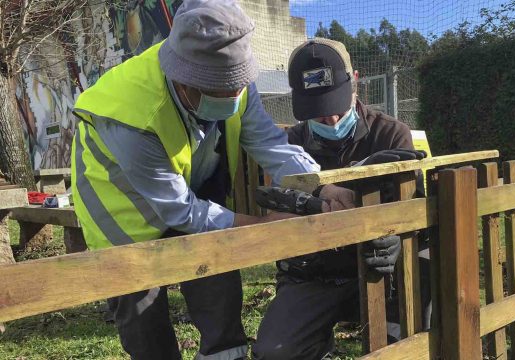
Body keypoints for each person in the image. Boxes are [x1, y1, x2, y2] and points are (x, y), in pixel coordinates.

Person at [71, 2, 355, 360]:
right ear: (183, 80)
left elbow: (267, 142)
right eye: (218, 93)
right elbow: (182, 212)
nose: (231, 99)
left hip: (189, 185)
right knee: (142, 309)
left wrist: (319, 184)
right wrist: (262, 228)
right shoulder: (131, 115)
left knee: (217, 277)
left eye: (235, 89)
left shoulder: (234, 78)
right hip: (120, 206)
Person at [253, 38, 430, 360]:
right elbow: (274, 203)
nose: (331, 121)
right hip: (315, 273)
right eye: (319, 113)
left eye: (337, 107)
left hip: (382, 269)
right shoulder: (288, 146)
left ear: (356, 82)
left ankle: (397, 334)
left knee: (401, 342)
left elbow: (415, 210)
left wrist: (400, 238)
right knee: (274, 352)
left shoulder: (391, 134)